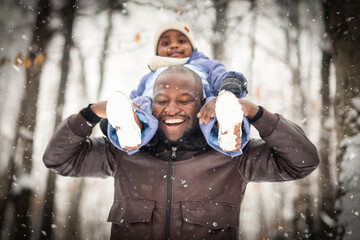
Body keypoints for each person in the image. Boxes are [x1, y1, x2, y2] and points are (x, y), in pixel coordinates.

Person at [43, 66, 319, 240]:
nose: (172, 108)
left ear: (203, 105)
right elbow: (59, 160)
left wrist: (257, 114)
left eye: (185, 101)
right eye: (162, 101)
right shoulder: (123, 154)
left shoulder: (234, 156)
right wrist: (89, 114)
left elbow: (302, 162)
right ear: (149, 107)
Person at [102, 21, 249, 156]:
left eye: (181, 41)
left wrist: (229, 88)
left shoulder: (204, 65)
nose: (174, 46)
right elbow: (135, 99)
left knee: (214, 104)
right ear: (157, 50)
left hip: (196, 120)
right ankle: (131, 130)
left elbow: (222, 77)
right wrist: (126, 110)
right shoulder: (150, 76)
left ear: (193, 47)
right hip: (156, 122)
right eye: (166, 43)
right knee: (143, 103)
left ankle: (227, 131)